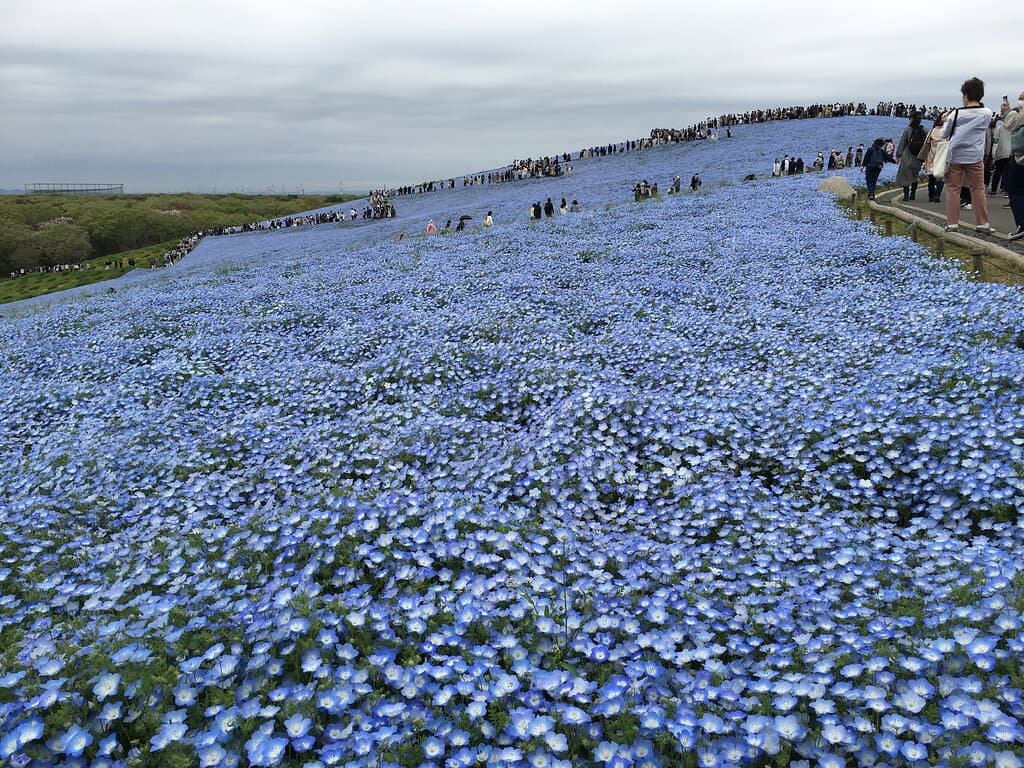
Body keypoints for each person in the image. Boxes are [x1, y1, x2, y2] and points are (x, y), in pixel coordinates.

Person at [941, 77, 993, 233]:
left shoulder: (955, 114)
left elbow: (945, 134)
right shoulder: (987, 113)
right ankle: (982, 223)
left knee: (953, 189)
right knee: (977, 189)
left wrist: (945, 121)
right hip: (975, 157)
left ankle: (952, 224)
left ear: (966, 95)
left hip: (955, 156)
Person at [1000, 92, 1024, 240]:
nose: (1020, 101)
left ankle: (1022, 224)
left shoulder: (1020, 114)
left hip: (1020, 159)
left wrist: (1007, 112)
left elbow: (1011, 124)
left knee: (1015, 191)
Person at [895, 111, 926, 200]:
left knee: (905, 176)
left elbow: (902, 143)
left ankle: (906, 196)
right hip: (919, 157)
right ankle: (913, 194)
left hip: (907, 156)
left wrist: (898, 156)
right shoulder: (924, 130)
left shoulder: (908, 130)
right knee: (914, 176)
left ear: (912, 119)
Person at [919, 114, 947, 203]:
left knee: (931, 177)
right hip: (942, 156)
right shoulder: (947, 132)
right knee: (940, 177)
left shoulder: (932, 131)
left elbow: (926, 144)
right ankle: (937, 194)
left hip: (932, 155)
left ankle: (931, 196)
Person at [990, 113, 1011, 196]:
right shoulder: (1014, 128)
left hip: (1000, 152)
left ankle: (993, 189)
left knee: (997, 172)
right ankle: (1005, 189)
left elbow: (996, 139)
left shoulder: (1000, 128)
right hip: (1010, 153)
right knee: (1007, 172)